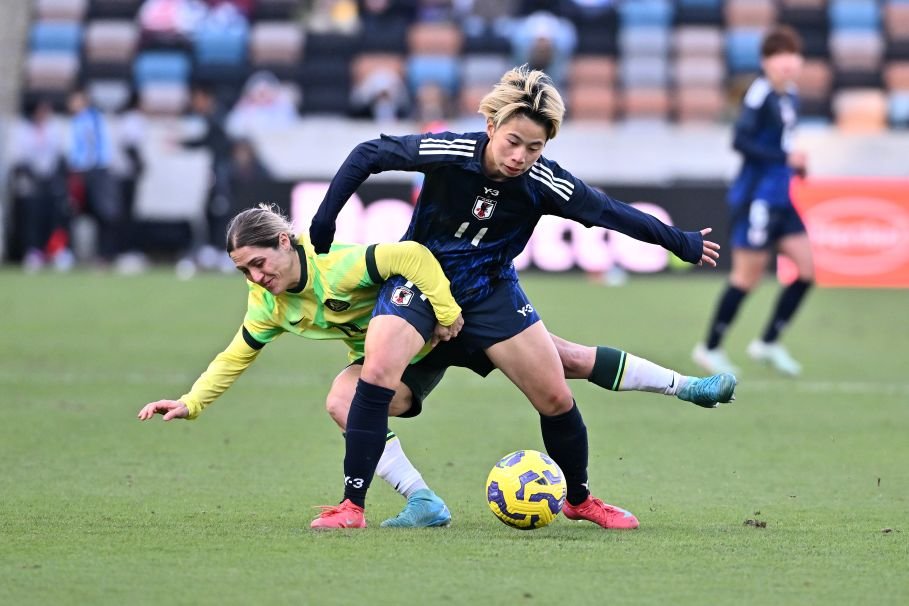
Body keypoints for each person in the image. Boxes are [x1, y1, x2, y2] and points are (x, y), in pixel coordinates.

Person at [307, 65, 725, 530]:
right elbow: (369, 153)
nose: (520, 156)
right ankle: (352, 507)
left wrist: (677, 241)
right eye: (512, 141)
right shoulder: (452, 151)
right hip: (420, 283)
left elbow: (610, 212)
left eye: (535, 147)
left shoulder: (544, 182)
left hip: (490, 292)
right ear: (491, 128)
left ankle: (580, 499)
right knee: (377, 373)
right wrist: (325, 220)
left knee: (555, 395)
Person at [137, 205, 736, 529]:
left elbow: (410, 254)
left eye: (259, 262)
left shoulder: (340, 265)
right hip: (403, 360)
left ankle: (688, 388)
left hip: (447, 319)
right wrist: (192, 401)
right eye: (244, 269)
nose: (256, 276)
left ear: (288, 243)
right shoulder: (267, 304)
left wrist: (447, 315)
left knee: (567, 364)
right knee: (345, 399)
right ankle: (423, 502)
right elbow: (236, 353)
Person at [693, 26, 812, 377]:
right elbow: (740, 142)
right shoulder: (759, 95)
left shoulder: (789, 95)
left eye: (792, 54)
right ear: (766, 62)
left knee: (806, 271)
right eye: (779, 55)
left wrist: (796, 165)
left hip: (782, 197)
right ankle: (709, 347)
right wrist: (783, 157)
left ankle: (768, 342)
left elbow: (784, 146)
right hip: (757, 198)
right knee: (747, 278)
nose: (787, 62)